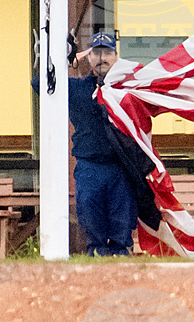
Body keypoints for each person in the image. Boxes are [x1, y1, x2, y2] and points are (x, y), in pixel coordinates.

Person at [33, 31, 141, 255]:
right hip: (89, 168)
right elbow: (39, 84)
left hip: (122, 167)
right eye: (96, 53)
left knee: (122, 235)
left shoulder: (129, 88)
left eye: (108, 52)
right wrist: (62, 60)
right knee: (94, 232)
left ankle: (123, 278)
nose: (102, 58)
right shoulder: (78, 89)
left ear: (116, 56)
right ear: (88, 58)